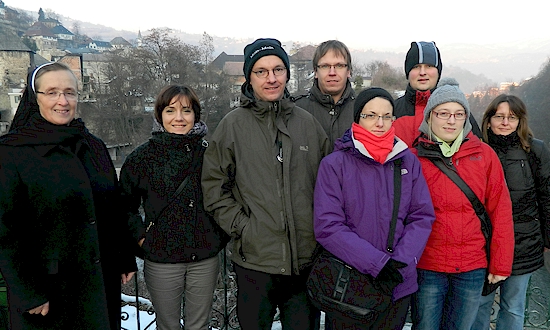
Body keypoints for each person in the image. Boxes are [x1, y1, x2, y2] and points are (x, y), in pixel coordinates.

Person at [201, 38, 330, 330]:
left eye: (278, 69)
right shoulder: (233, 126)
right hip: (255, 264)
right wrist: (245, 228)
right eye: (261, 71)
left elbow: (329, 187)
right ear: (249, 77)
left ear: (287, 73)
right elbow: (213, 188)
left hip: (304, 263)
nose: (271, 78)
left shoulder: (307, 124)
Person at [0, 62, 137, 330]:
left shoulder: (93, 146)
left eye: (69, 92)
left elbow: (112, 207)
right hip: (47, 294)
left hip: (97, 283)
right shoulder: (11, 152)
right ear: (34, 97)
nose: (62, 101)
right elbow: (5, 231)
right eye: (51, 92)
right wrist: (28, 292)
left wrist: (123, 255)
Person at [314, 87, 435, 329]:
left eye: (386, 115)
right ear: (358, 117)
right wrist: (377, 263)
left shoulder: (407, 161)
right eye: (371, 115)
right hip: (350, 282)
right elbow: (328, 226)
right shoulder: (335, 164)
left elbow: (421, 216)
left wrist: (399, 263)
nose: (379, 122)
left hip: (397, 283)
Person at [119, 84, 228, 330]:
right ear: (160, 115)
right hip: (162, 259)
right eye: (170, 110)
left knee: (199, 326)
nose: (179, 118)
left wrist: (218, 236)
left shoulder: (211, 155)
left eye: (186, 111)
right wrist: (141, 239)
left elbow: (228, 196)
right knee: (168, 326)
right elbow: (125, 205)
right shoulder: (141, 158)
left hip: (204, 257)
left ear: (195, 115)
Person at [410, 82, 515, 330]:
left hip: (471, 265)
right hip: (428, 265)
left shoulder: (484, 155)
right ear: (430, 117)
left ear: (466, 119)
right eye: (443, 113)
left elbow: (500, 211)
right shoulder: (414, 158)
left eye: (458, 114)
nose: (451, 121)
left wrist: (500, 263)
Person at [472, 94, 550, 330]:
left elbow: (546, 195)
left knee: (513, 307)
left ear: (520, 121)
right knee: (480, 306)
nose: (505, 122)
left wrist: (547, 237)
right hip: (483, 243)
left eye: (512, 117)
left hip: (523, 242)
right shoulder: (476, 150)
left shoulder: (535, 150)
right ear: (488, 120)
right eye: (499, 116)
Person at [393, 41, 481, 147]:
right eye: (416, 67)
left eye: (429, 66)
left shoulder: (458, 111)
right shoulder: (391, 111)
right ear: (408, 72)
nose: (422, 72)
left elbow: (477, 151)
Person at [293, 40, 355, 147]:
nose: (332, 73)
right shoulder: (296, 109)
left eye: (339, 66)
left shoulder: (363, 110)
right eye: (325, 66)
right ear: (316, 72)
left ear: (348, 71)